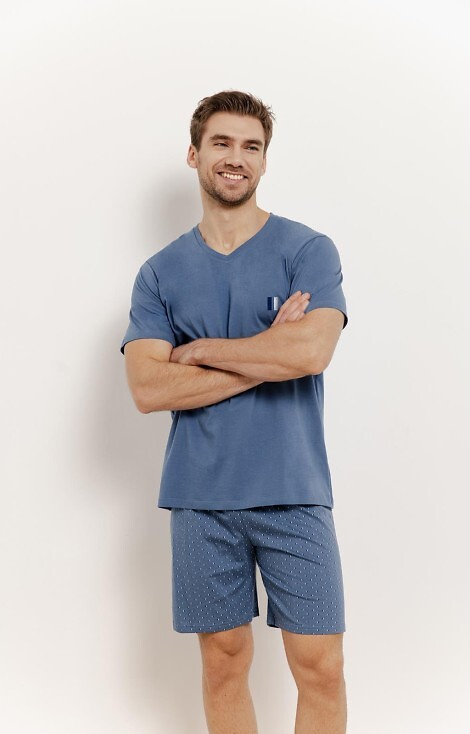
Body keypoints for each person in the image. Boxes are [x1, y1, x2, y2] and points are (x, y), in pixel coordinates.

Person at [120, 90, 349, 734]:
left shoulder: (308, 250)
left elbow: (311, 351)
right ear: (194, 154)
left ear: (265, 162)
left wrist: (200, 352)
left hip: (294, 492)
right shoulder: (160, 273)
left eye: (252, 147)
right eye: (221, 142)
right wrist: (264, 352)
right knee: (222, 663)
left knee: (321, 665)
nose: (236, 157)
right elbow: (148, 388)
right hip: (200, 500)